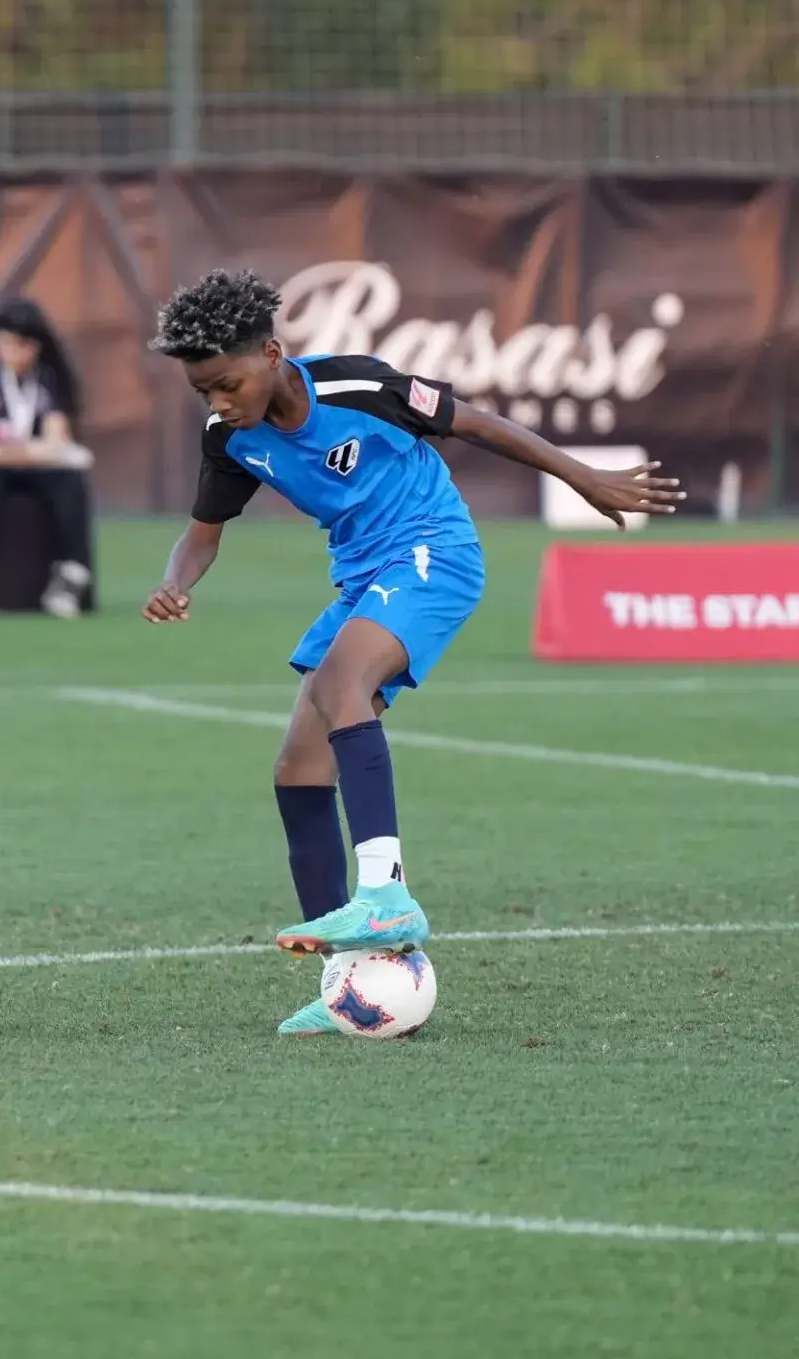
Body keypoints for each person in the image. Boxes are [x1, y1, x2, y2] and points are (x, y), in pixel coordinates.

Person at [143, 269, 683, 1037]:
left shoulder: (359, 387)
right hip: (362, 577)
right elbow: (202, 534)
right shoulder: (230, 438)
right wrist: (174, 582)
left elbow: (477, 424)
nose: (219, 403)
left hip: (435, 552)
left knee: (341, 686)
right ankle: (347, 984)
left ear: (271, 353)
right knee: (297, 767)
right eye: (204, 393)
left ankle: (386, 892)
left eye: (227, 383)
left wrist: (584, 478)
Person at [0, 297, 94, 619]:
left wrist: (28, 452)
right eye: (8, 343)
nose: (15, 352)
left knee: (69, 483)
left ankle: (69, 578)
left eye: (23, 344)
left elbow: (56, 439)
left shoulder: (48, 380)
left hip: (38, 465)